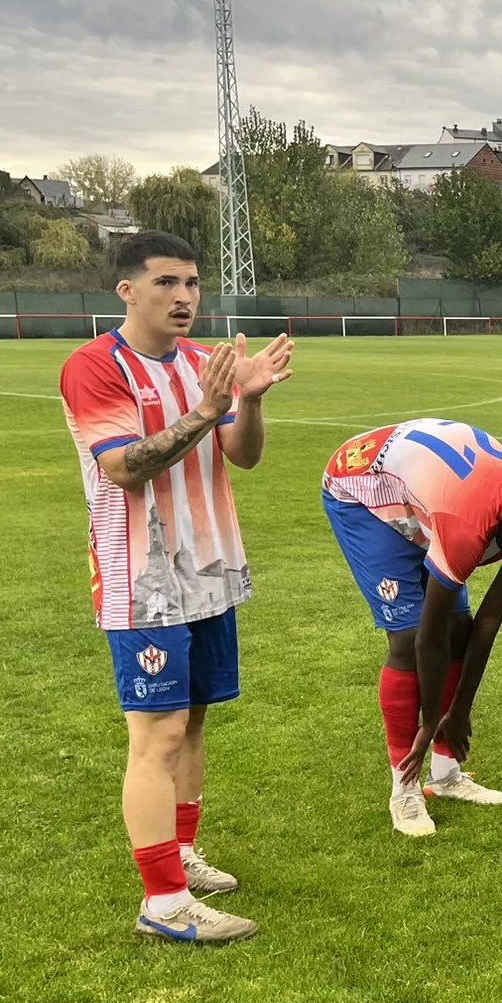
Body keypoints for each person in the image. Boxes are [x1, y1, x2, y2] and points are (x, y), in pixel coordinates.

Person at [58, 230, 293, 944]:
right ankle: (163, 903)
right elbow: (125, 467)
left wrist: (248, 401)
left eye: (191, 283)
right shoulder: (94, 367)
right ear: (128, 290)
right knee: (156, 733)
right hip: (143, 578)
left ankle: (181, 854)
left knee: (192, 720)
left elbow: (243, 457)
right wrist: (206, 410)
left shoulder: (203, 363)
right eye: (166, 283)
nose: (184, 296)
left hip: (210, 569)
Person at [322, 422, 502, 835]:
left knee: (459, 628)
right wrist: (430, 721)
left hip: (431, 491)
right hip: (361, 488)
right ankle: (404, 790)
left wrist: (459, 709)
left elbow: (486, 624)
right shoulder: (469, 528)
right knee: (408, 638)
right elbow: (428, 639)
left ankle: (445, 775)